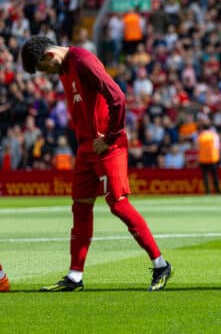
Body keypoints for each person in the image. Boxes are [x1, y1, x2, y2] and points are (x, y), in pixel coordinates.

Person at [20, 36, 172, 292]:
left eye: (44, 69)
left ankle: (160, 264)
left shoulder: (83, 61)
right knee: (80, 209)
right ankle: (75, 277)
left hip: (107, 145)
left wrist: (111, 136)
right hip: (86, 149)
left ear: (48, 56)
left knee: (119, 205)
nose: (47, 74)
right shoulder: (66, 68)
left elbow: (118, 97)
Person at [197, 119, 221, 195]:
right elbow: (217, 147)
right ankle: (218, 191)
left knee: (205, 177)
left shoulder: (201, 136)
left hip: (203, 159)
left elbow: (198, 147)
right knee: (215, 176)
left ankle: (207, 192)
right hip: (213, 158)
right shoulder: (214, 135)